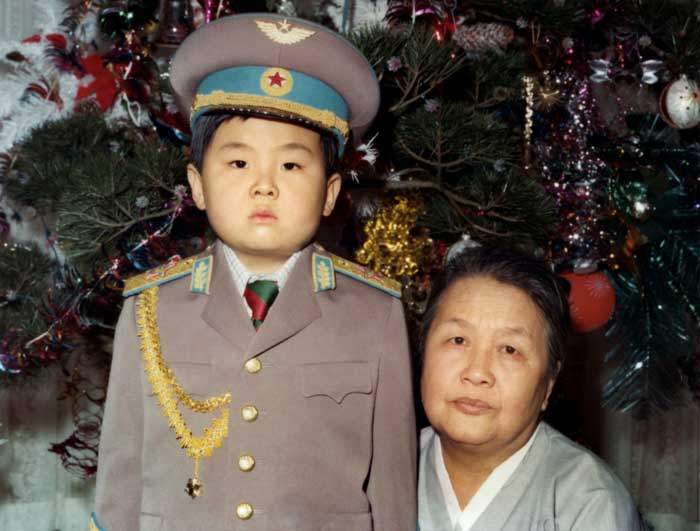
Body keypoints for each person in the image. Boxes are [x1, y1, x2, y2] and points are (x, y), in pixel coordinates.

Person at [91, 13, 416, 531]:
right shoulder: (151, 308)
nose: (264, 186)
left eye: (291, 166)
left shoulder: (374, 313)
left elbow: (394, 493)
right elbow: (120, 480)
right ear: (197, 185)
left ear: (330, 193)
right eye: (238, 164)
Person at [418, 246, 643, 531]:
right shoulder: (381, 465)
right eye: (458, 340)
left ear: (548, 383)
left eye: (510, 349)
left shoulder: (591, 505)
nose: (477, 373)